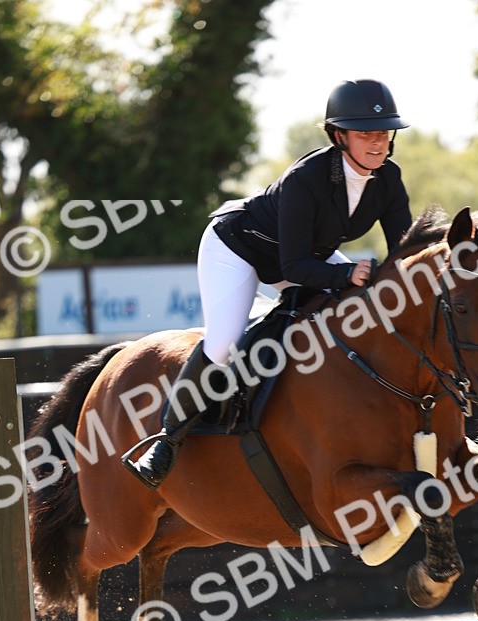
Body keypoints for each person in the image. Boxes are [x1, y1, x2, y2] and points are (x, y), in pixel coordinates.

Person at [123, 78, 412, 489]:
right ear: (339, 136)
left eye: (383, 133)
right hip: (238, 247)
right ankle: (167, 439)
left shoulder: (388, 178)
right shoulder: (306, 178)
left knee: (360, 309)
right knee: (223, 342)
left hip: (302, 253)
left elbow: (402, 250)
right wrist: (346, 273)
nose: (377, 142)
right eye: (365, 132)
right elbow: (293, 267)